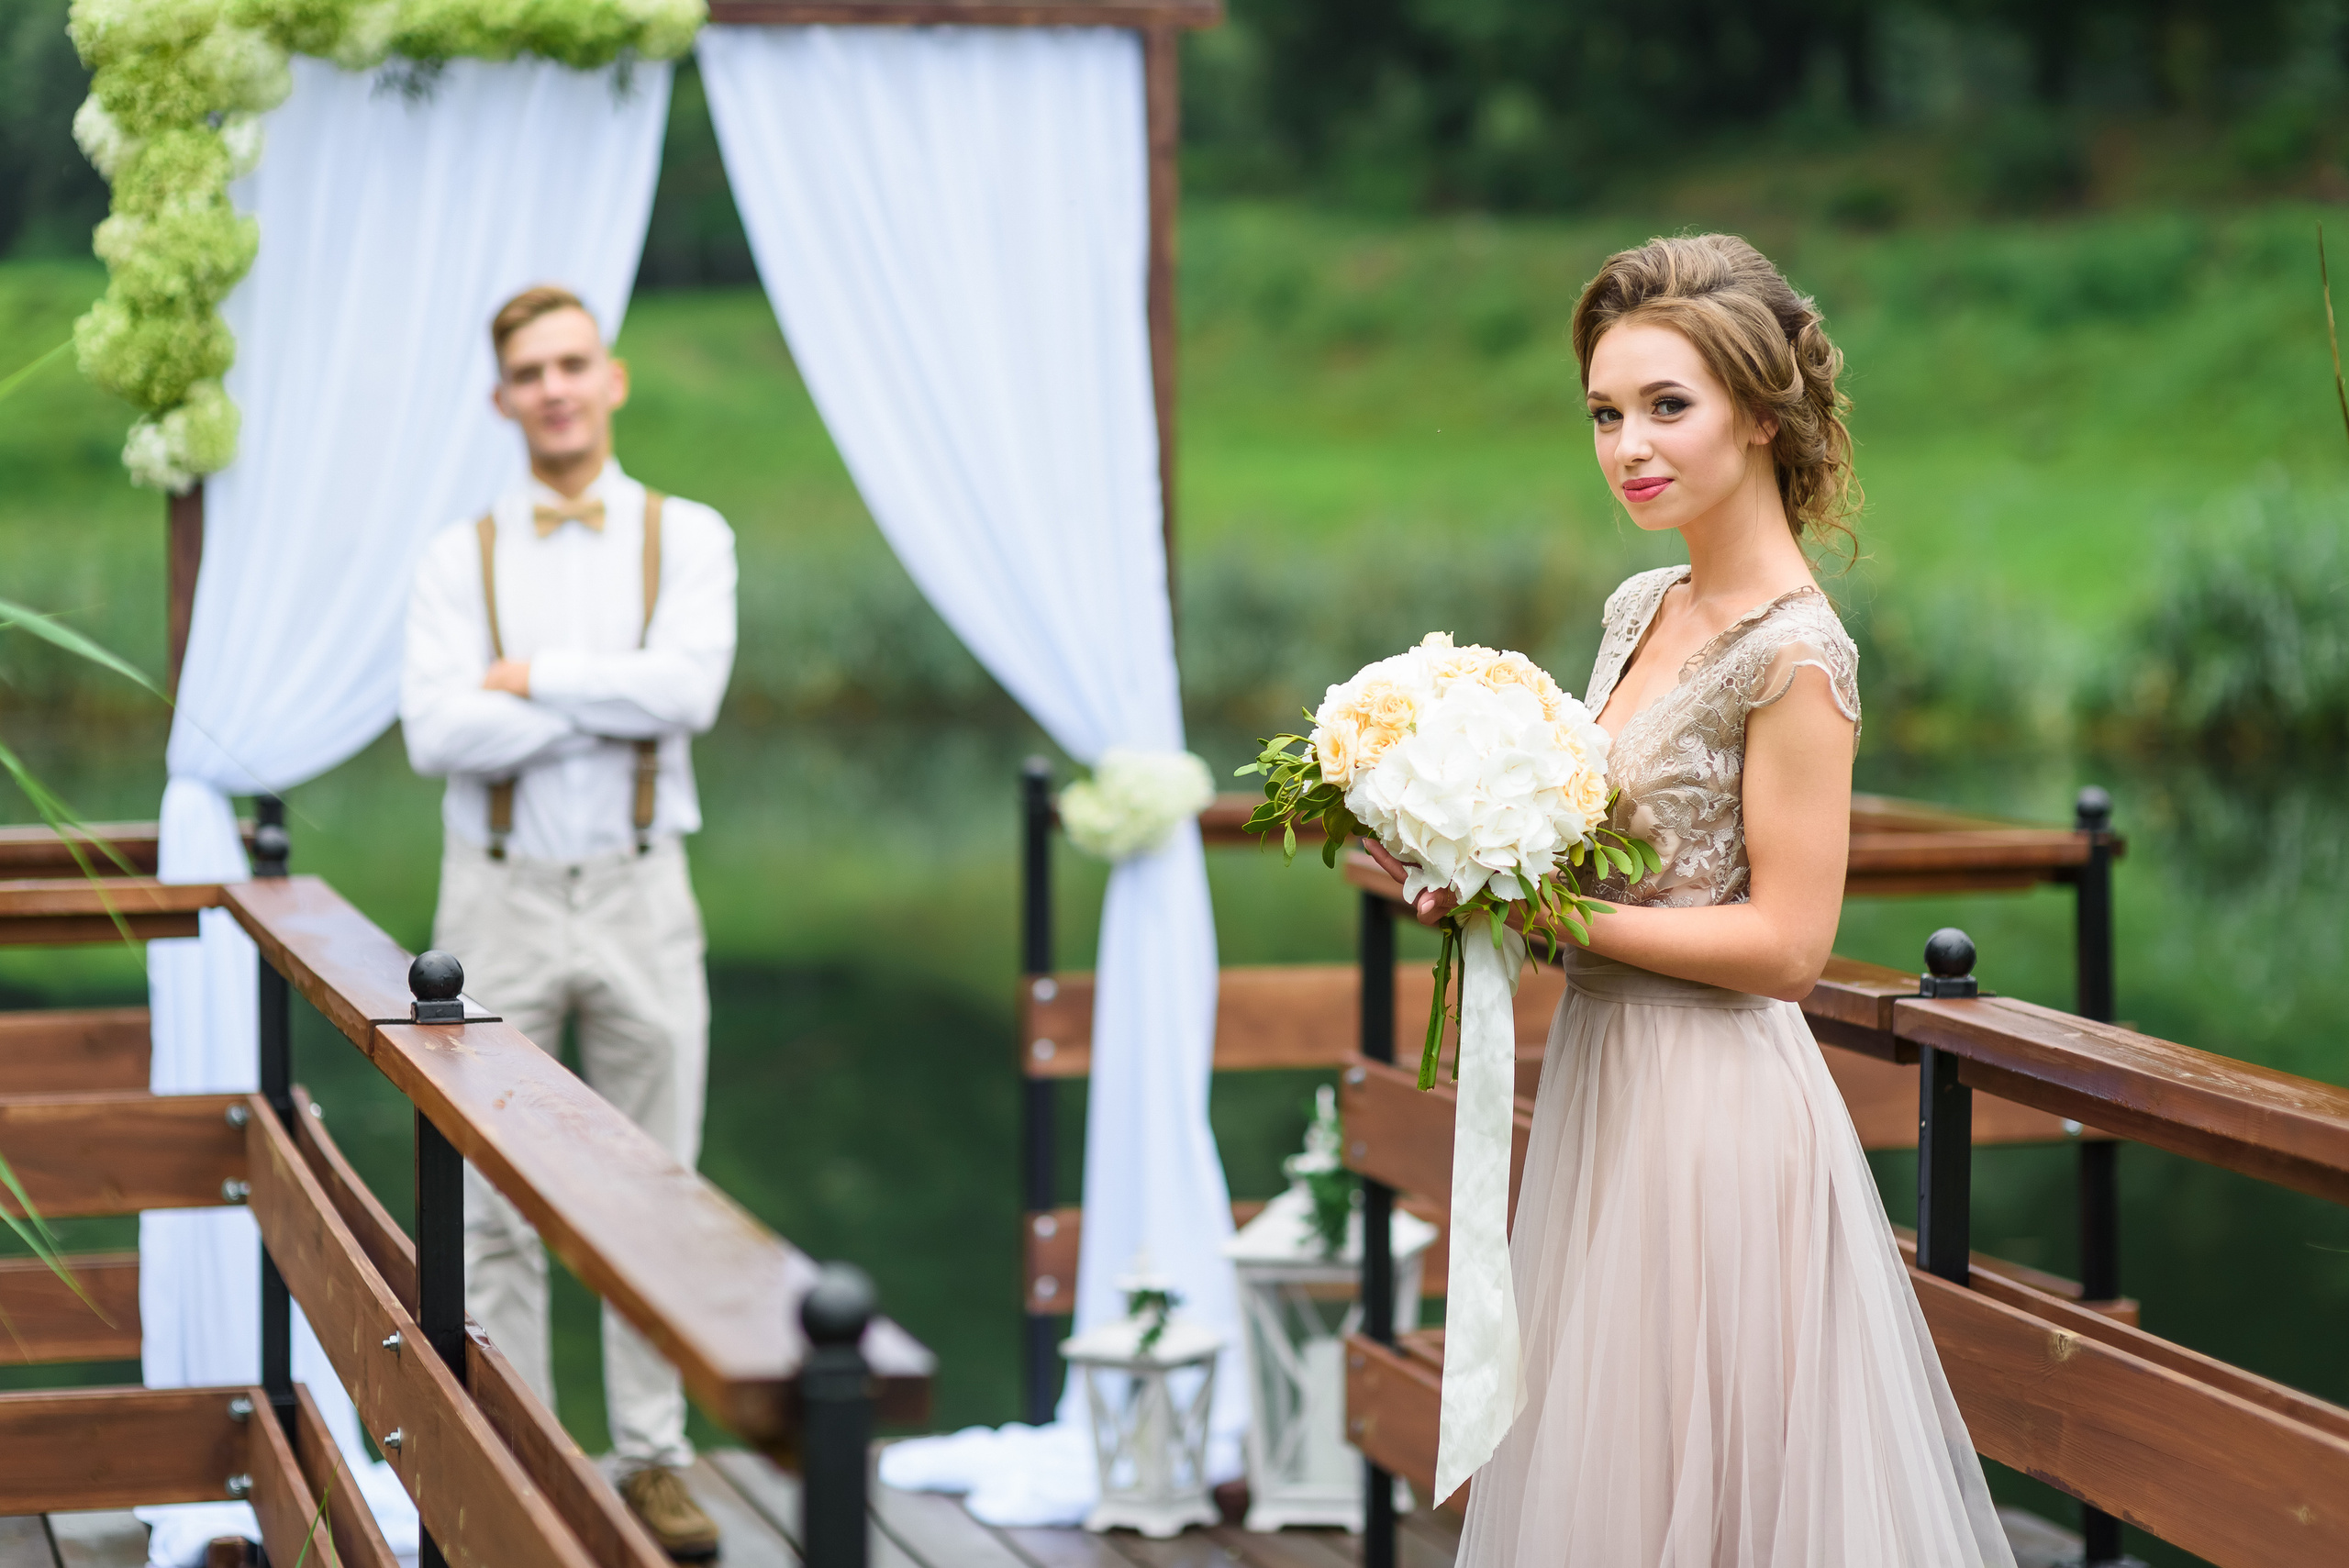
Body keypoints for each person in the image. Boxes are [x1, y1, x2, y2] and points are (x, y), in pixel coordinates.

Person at [1369, 235, 2017, 1565]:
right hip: (1608, 1085)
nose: (1628, 446)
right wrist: (1473, 851)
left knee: (1709, 1499)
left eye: (1668, 406)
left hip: (1716, 1116)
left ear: (1762, 413)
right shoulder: (1637, 603)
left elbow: (1788, 945)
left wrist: (1549, 921)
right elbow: (1606, 837)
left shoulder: (1795, 653)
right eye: (1606, 413)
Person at [400, 284, 737, 1561]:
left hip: (646, 888)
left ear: (614, 379)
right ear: (502, 398)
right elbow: (438, 732)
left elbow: (689, 693)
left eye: (572, 363)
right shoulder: (456, 555)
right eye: (529, 370)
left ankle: (653, 1458)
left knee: (656, 1186)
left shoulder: (687, 535)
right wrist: (615, 699)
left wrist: (528, 679)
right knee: (489, 1195)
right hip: (493, 898)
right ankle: (523, 1451)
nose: (553, 385)